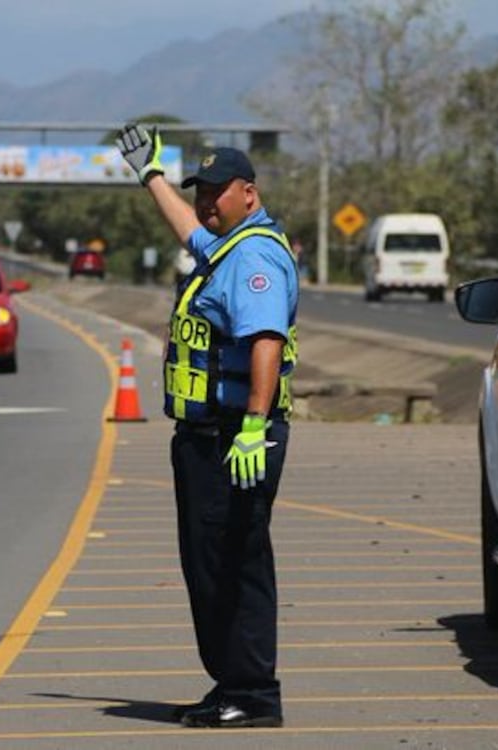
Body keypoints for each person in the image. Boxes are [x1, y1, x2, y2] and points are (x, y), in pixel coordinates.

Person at [116, 123, 299, 729]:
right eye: (201, 191)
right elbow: (189, 232)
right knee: (211, 563)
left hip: (233, 438)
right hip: (209, 438)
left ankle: (252, 693)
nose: (206, 202)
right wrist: (152, 176)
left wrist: (253, 425)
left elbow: (266, 341)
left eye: (217, 191)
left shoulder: (253, 256)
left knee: (234, 565)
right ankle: (232, 686)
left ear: (249, 193)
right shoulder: (225, 248)